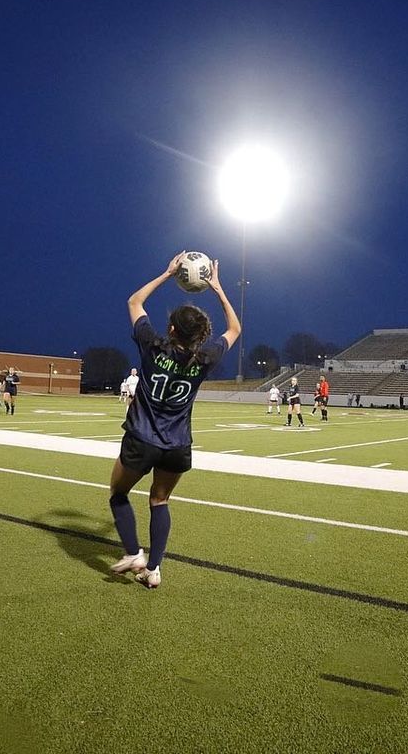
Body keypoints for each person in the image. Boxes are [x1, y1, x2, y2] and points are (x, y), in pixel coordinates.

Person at [107, 252, 240, 589]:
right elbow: (235, 329)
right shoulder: (206, 357)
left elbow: (134, 301)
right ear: (200, 336)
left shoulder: (152, 345)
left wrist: (167, 274)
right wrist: (218, 288)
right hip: (178, 445)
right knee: (160, 500)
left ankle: (133, 552)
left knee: (118, 494)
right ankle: (153, 569)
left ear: (170, 328)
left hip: (141, 438)